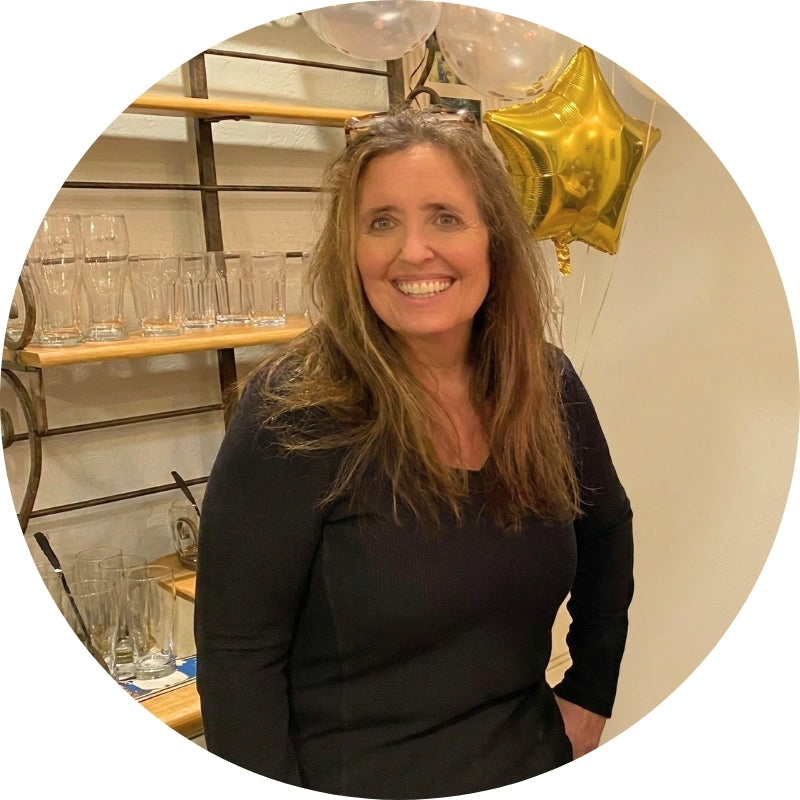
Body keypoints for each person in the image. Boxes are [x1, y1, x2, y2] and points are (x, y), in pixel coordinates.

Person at [194, 105, 634, 799]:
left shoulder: (544, 383)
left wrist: (591, 687)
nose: (413, 251)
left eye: (445, 218)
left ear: (494, 240)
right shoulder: (292, 413)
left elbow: (606, 530)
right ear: (351, 249)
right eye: (382, 222)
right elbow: (237, 657)